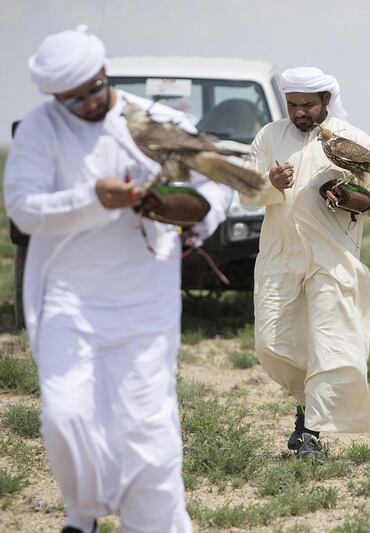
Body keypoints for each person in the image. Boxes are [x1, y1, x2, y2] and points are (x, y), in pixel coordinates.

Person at [4, 26, 232, 532]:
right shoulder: (43, 129)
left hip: (144, 302)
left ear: (104, 74)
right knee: (65, 418)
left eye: (93, 89)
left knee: (147, 432)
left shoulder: (155, 121)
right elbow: (22, 209)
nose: (86, 102)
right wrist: (91, 199)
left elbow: (214, 191)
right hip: (68, 296)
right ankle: (82, 514)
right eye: (72, 98)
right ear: (55, 97)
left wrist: (183, 209)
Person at [244, 67, 370, 460]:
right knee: (272, 344)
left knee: (330, 344)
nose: (299, 113)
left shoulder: (352, 138)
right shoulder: (270, 136)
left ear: (325, 100)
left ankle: (312, 432)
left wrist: (355, 200)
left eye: (307, 105)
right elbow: (245, 191)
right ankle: (306, 403)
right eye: (292, 105)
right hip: (280, 255)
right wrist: (270, 184)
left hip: (333, 257)